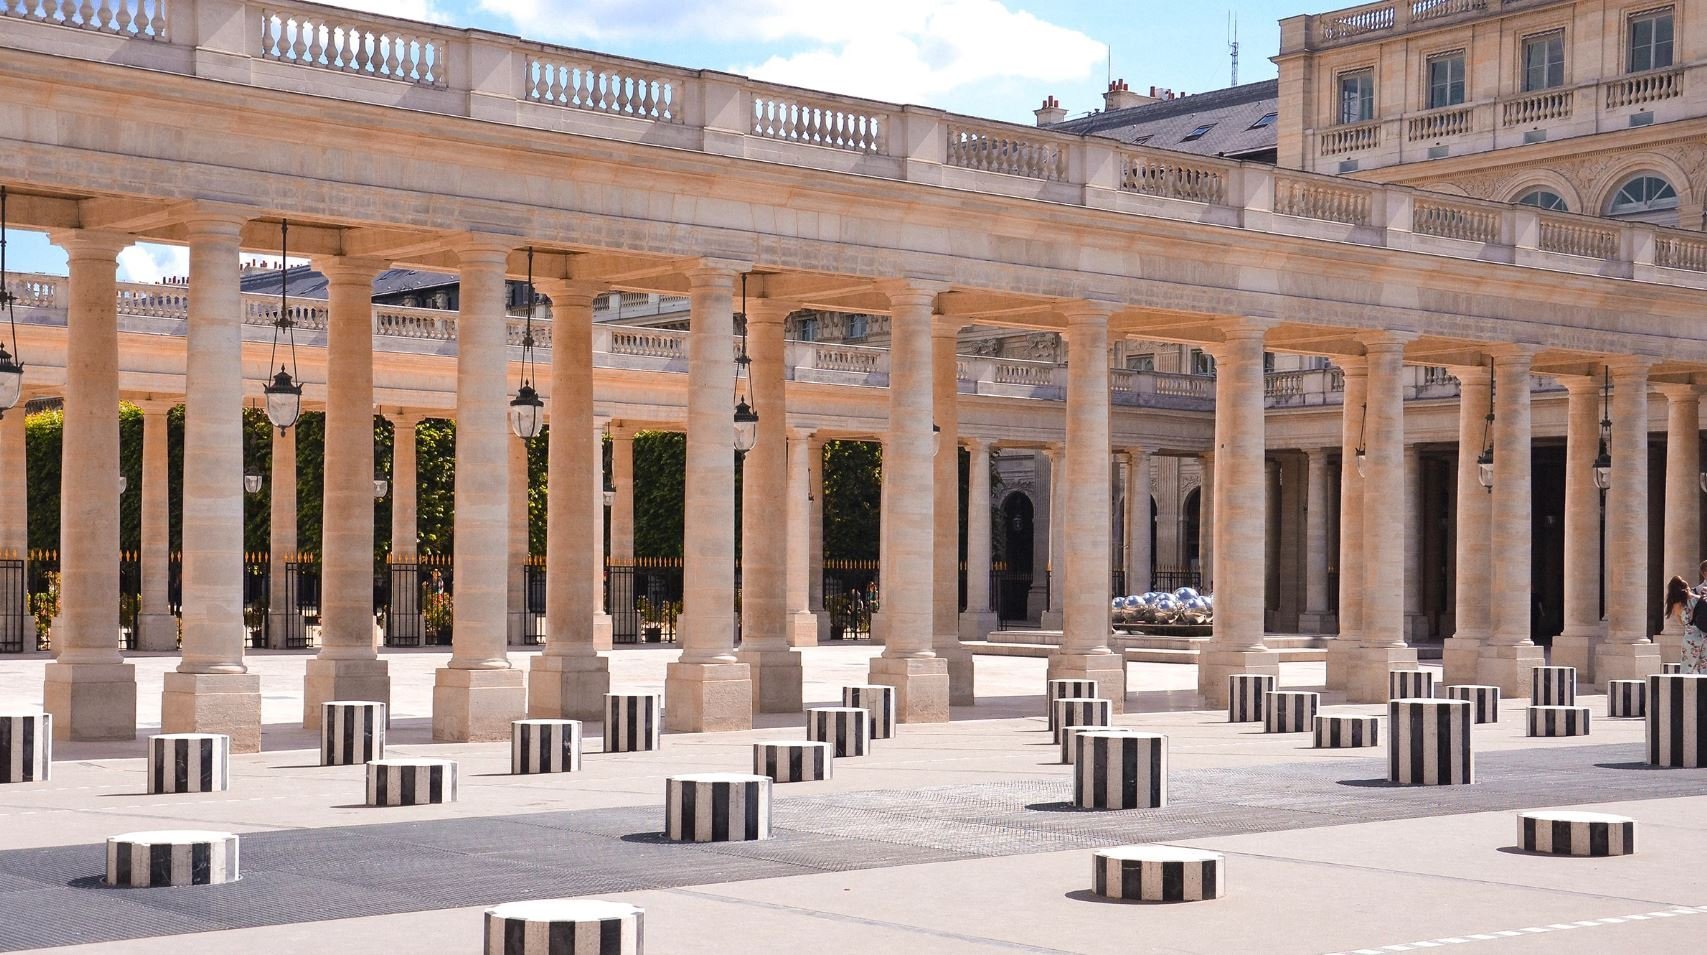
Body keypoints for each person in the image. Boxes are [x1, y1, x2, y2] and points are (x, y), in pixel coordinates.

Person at [1664, 576, 1707, 674]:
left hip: (1691, 638)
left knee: (1687, 668)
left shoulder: (1677, 605)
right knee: (1705, 669)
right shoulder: (1699, 599)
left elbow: (1681, 622)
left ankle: (1686, 689)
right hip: (1705, 635)